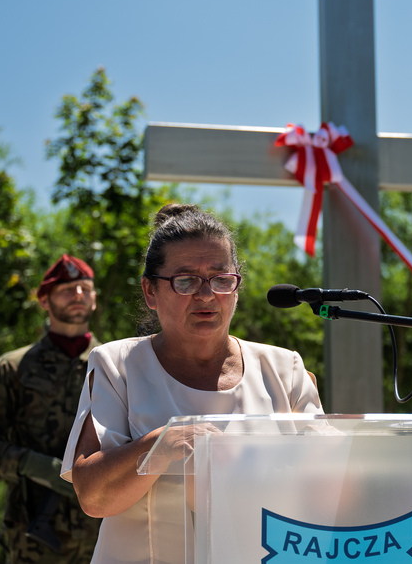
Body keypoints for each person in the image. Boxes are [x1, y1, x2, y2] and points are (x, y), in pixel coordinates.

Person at [61, 203, 323, 564]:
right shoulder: (116, 364)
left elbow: (326, 494)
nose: (205, 295)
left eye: (220, 279)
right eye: (185, 281)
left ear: (236, 286)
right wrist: (161, 445)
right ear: (150, 292)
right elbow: (94, 497)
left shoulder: (285, 369)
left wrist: (350, 447)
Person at [0, 255, 103, 564]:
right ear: (44, 302)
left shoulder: (116, 366)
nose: (77, 295)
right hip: (34, 535)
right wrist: (36, 466)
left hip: (105, 534)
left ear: (94, 299)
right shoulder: (15, 367)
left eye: (84, 288)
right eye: (66, 289)